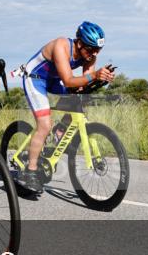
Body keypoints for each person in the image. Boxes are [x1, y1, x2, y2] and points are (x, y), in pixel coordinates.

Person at [15, 22, 114, 193]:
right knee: (44, 124)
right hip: (35, 78)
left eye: (98, 50)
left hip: (54, 79)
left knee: (80, 99)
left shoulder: (90, 55)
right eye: (91, 49)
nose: (94, 54)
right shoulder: (62, 45)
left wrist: (100, 79)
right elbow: (69, 81)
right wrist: (94, 75)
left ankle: (59, 131)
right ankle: (29, 172)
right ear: (80, 43)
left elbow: (84, 84)